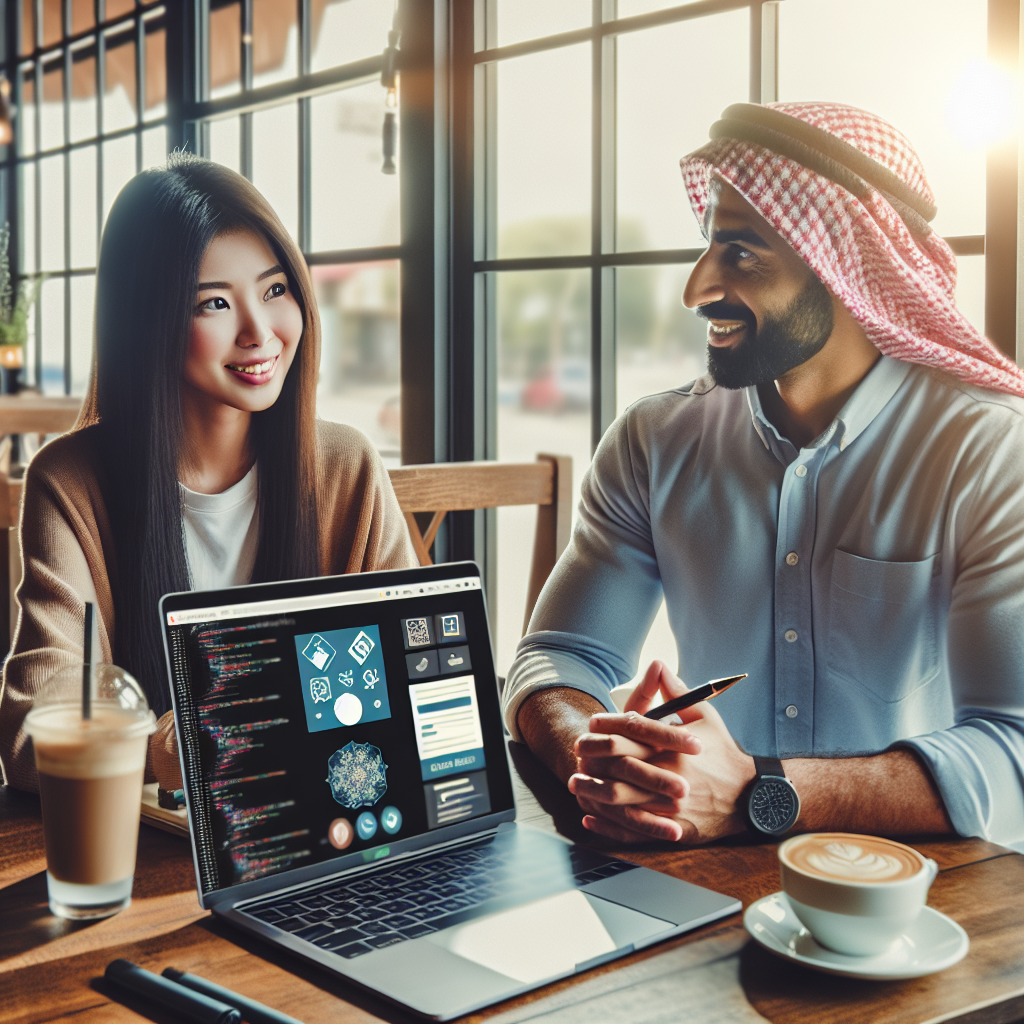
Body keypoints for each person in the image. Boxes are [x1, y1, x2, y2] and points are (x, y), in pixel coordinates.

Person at [503, 102, 1024, 848]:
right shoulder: (655, 439)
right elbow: (560, 655)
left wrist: (759, 792)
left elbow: (1015, 752)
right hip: (690, 871)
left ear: (847, 267)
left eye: (741, 254)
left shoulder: (993, 451)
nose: (696, 288)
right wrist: (599, 759)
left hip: (922, 897)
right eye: (709, 247)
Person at [0, 155, 415, 791]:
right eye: (214, 303)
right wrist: (162, 750)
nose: (260, 332)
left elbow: (416, 677)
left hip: (323, 827)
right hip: (151, 855)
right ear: (146, 323)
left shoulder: (347, 467)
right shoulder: (72, 481)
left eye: (276, 290)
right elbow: (37, 731)